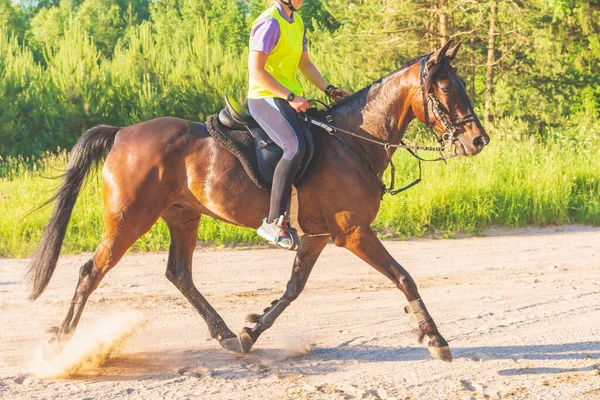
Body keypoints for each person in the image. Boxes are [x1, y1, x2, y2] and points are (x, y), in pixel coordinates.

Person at [248, 0, 350, 250]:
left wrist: (328, 88)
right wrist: (291, 97)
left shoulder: (298, 22)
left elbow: (304, 64)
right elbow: (256, 71)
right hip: (265, 97)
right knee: (294, 147)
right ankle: (273, 223)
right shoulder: (270, 23)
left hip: (288, 97)